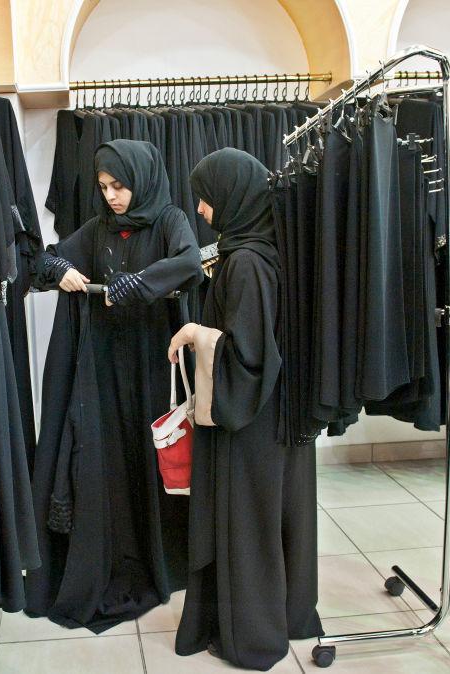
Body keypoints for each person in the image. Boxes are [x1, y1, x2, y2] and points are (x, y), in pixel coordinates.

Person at [26, 139, 204, 632]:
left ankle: (160, 557)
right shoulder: (100, 228)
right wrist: (59, 269)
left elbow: (188, 264)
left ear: (140, 180)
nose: (111, 197)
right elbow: (47, 259)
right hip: (106, 368)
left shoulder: (169, 220)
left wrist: (140, 283)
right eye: (104, 187)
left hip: (152, 362)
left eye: (119, 186)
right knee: (110, 455)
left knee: (151, 455)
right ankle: (117, 550)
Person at [169, 148, 323, 671]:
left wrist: (195, 332)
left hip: (253, 422)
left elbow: (249, 356)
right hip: (281, 415)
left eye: (207, 198)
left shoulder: (246, 262)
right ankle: (289, 614)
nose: (202, 210)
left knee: (248, 523)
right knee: (280, 514)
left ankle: (252, 637)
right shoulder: (271, 248)